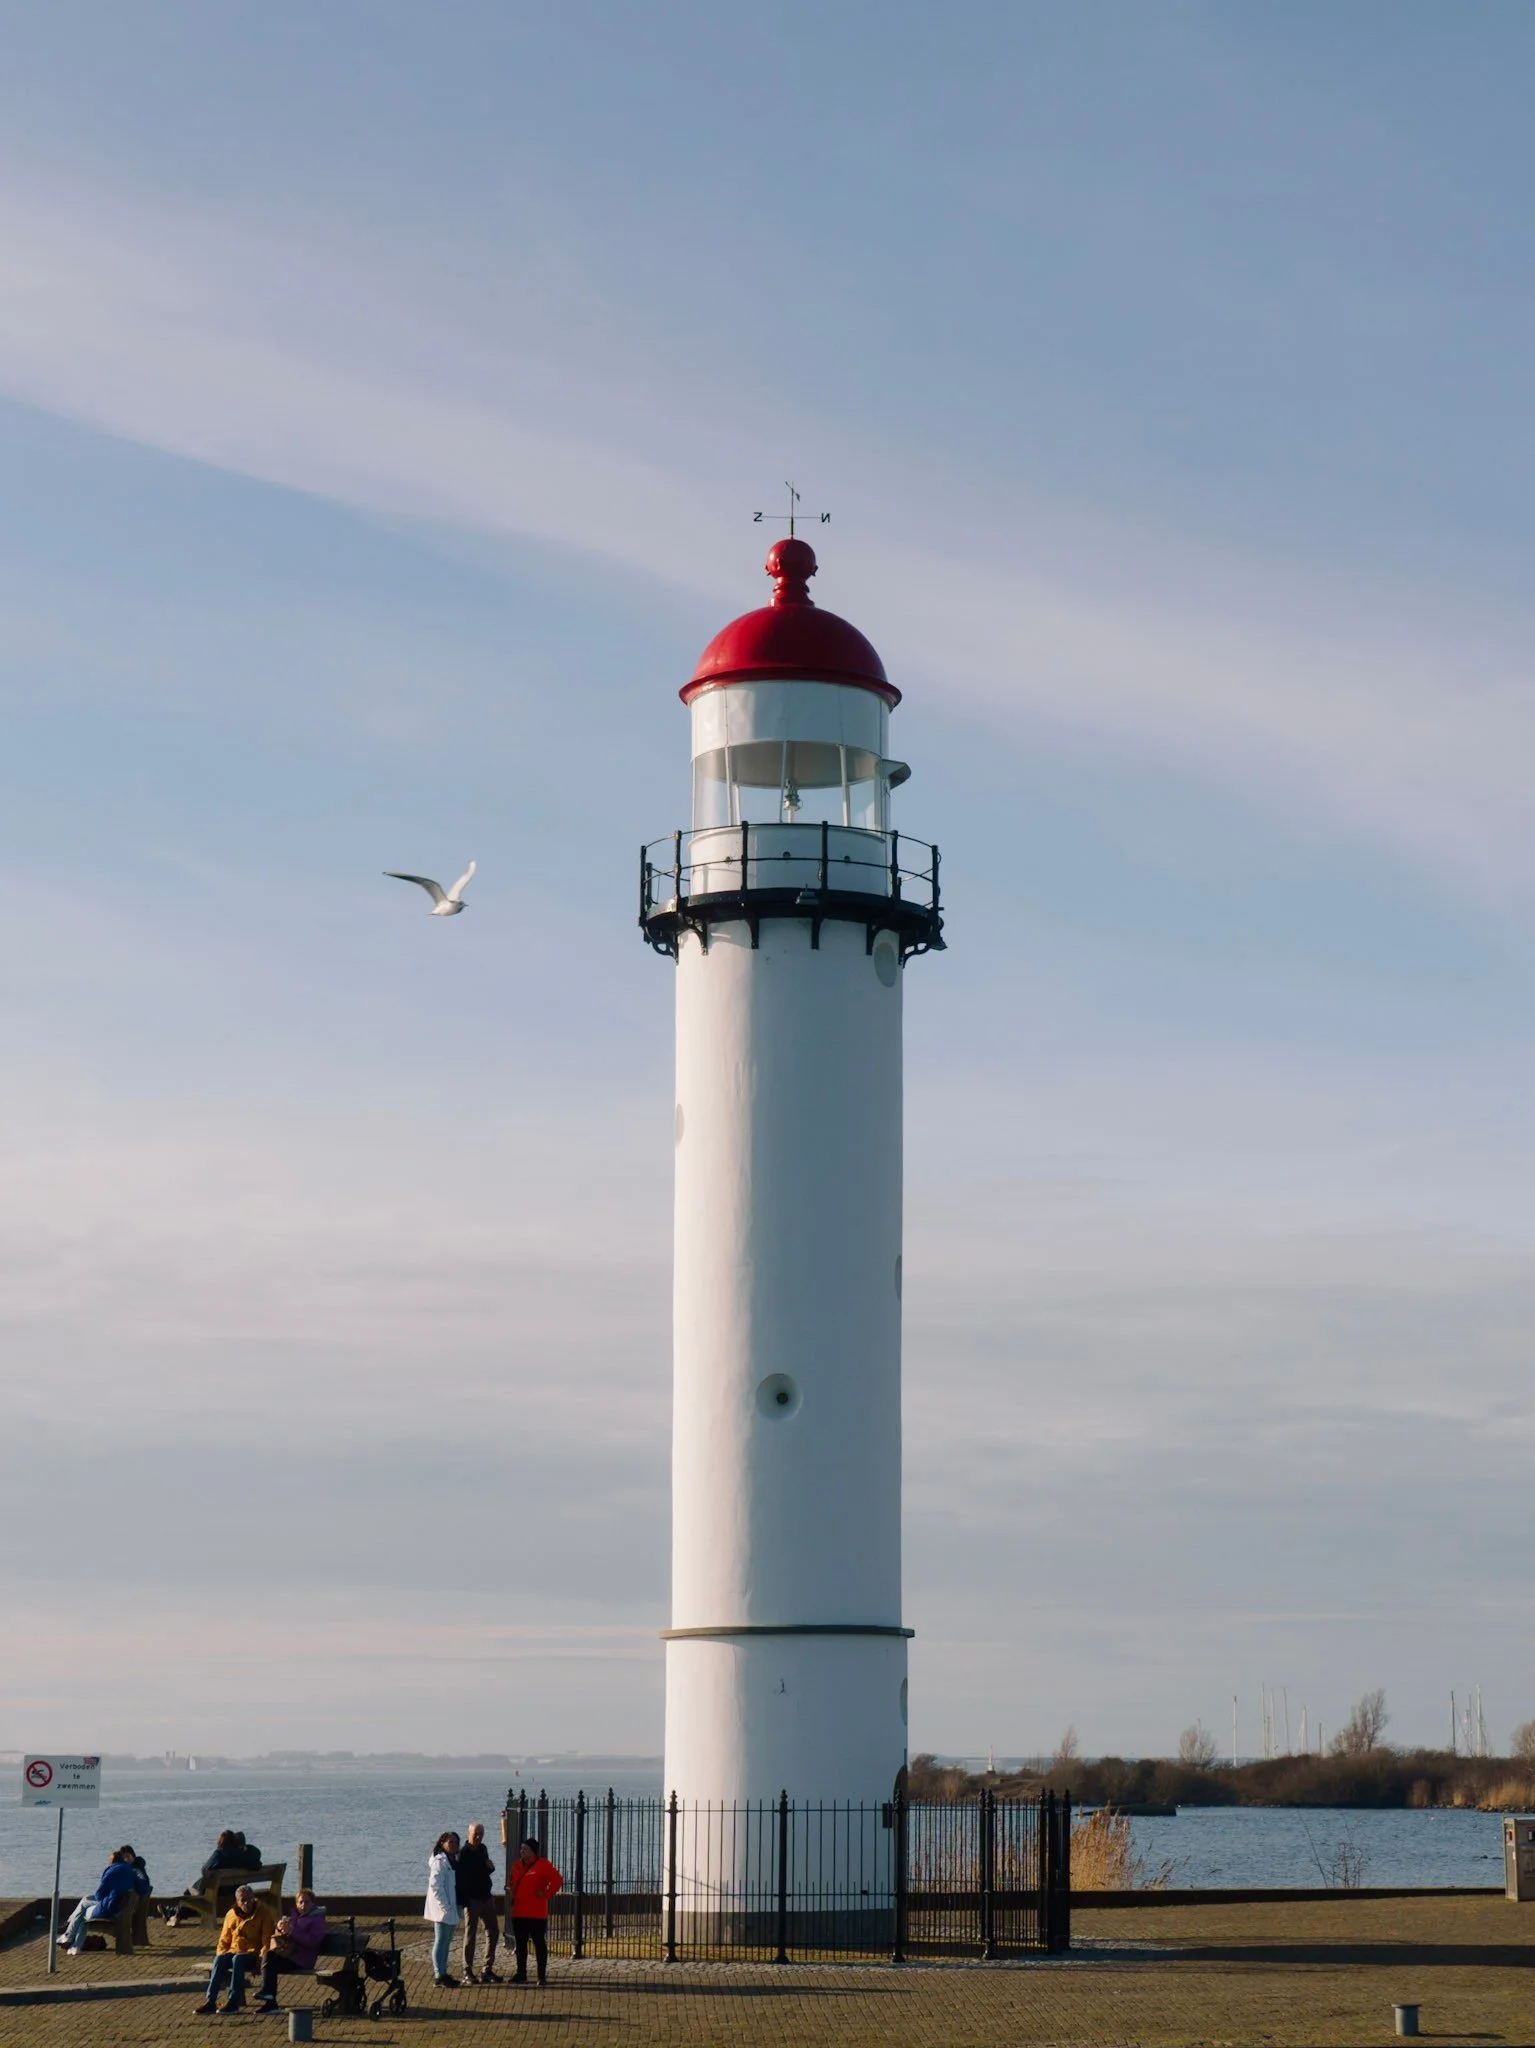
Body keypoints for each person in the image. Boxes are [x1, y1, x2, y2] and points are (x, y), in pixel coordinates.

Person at [192, 1882, 278, 2014]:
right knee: (219, 1959)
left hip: (252, 1953)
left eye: (249, 1899)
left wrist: (260, 1961)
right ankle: (210, 2001)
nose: (247, 1903)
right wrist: (221, 1954)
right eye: (243, 1900)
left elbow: (267, 1942)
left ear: (253, 1898)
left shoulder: (263, 1913)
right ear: (237, 1901)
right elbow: (223, 1940)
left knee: (238, 1959)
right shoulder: (231, 1914)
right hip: (234, 1950)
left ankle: (234, 2001)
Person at [61, 1846, 151, 1954]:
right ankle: (71, 1930)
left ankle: (70, 1933)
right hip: (120, 1903)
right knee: (86, 1899)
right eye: (124, 1857)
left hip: (112, 1906)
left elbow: (100, 1895)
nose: (126, 1859)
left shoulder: (132, 1870)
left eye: (128, 1856)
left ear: (133, 1856)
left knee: (83, 1910)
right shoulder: (129, 1871)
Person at [251, 1888, 327, 2014]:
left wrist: (292, 1931)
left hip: (303, 1960)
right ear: (296, 1904)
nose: (303, 1905)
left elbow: (312, 1941)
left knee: (270, 1962)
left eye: (307, 1902)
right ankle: (270, 2000)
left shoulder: (317, 1920)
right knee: (269, 1956)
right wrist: (280, 1929)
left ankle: (269, 1997)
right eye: (300, 1902)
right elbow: (280, 1938)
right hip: (289, 1955)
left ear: (313, 1903)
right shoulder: (294, 1918)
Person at [507, 1836, 563, 1987]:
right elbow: (512, 1882)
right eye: (521, 1848)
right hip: (519, 1912)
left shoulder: (543, 1864)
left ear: (533, 1852)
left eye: (525, 1849)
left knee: (539, 1944)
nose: (522, 1851)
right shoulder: (517, 1865)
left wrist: (545, 1894)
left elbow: (557, 1880)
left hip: (536, 1913)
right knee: (520, 1944)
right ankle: (521, 1973)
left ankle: (541, 1976)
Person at [456, 1821, 499, 1983]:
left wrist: (491, 1867)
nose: (479, 1837)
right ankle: (467, 1970)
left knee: (493, 1932)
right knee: (470, 1934)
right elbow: (460, 1879)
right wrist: (463, 1900)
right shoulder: (463, 1853)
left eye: (481, 1834)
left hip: (486, 1897)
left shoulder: (483, 1849)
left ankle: (487, 1969)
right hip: (472, 1899)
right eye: (476, 1834)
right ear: (469, 1834)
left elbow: (486, 1868)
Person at [424, 1831, 461, 1987]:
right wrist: (444, 1906)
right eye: (450, 1842)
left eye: (455, 1842)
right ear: (442, 1843)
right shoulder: (439, 1861)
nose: (453, 1845)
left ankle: (444, 1972)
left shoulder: (454, 1859)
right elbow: (436, 1886)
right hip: (443, 1908)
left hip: (453, 1906)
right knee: (440, 1941)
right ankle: (439, 1975)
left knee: (447, 1942)